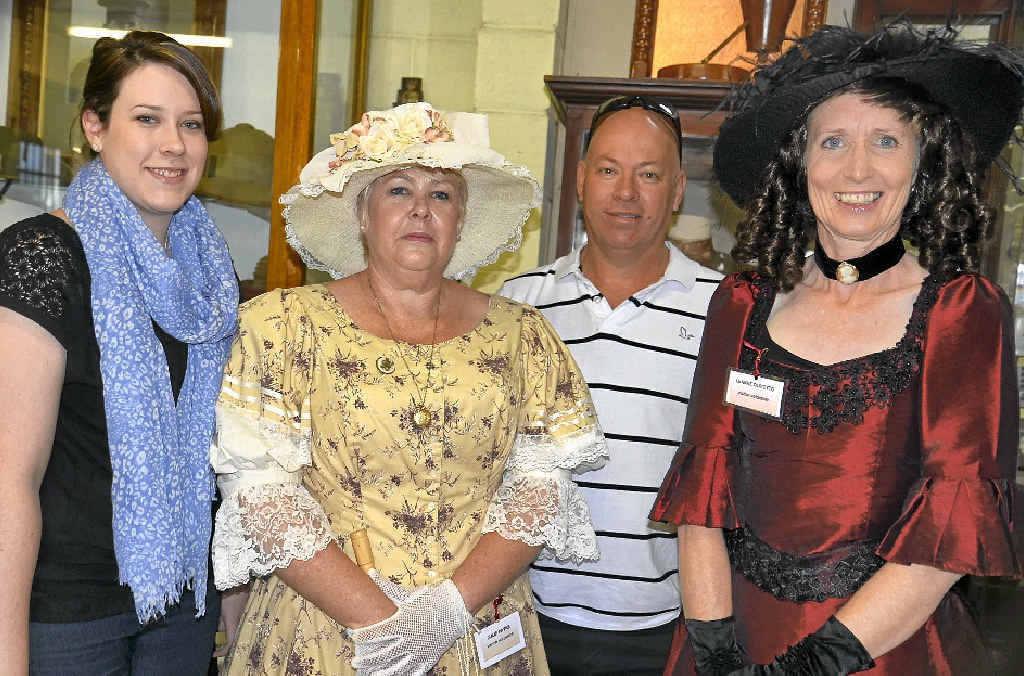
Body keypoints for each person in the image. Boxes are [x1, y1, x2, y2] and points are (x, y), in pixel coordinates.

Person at [650, 22, 1023, 675]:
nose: (858, 170)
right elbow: (703, 494)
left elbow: (947, 538)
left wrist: (808, 667)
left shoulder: (963, 313)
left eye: (885, 140)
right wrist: (712, 649)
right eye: (833, 141)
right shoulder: (740, 305)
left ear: (923, 160)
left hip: (882, 651)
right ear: (800, 163)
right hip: (734, 641)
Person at [210, 101, 608, 675]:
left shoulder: (525, 335)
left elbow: (540, 489)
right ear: (361, 213)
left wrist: (447, 609)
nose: (421, 209)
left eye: (441, 195)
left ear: (461, 219)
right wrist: (384, 624)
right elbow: (262, 496)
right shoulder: (283, 325)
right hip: (327, 634)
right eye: (397, 190)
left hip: (477, 628)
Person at [0, 31, 239, 675]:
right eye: (147, 119)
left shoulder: (211, 279)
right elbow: (7, 480)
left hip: (183, 610)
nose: (174, 144)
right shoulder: (44, 256)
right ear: (95, 128)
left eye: (191, 124)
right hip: (68, 620)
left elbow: (226, 468)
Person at [500, 96, 724, 675]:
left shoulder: (727, 310)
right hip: (526, 614)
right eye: (608, 170)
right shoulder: (516, 306)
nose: (626, 192)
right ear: (580, 180)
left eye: (648, 175)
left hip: (667, 623)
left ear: (676, 192)